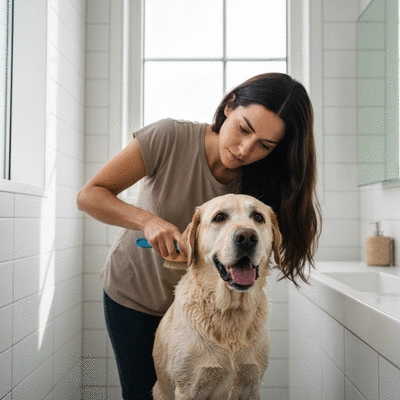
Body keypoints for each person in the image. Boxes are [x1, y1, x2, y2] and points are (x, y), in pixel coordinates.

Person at [77, 72, 321, 399]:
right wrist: (148, 221)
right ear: (229, 106)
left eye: (264, 145)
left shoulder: (265, 183)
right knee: (142, 394)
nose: (245, 149)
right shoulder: (168, 137)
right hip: (137, 294)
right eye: (244, 128)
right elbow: (90, 194)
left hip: (217, 313)